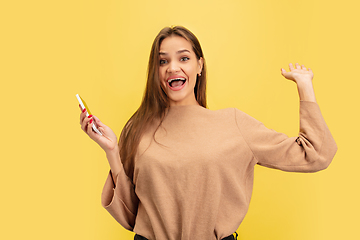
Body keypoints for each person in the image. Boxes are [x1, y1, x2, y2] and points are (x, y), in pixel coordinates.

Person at [79, 26, 337, 240]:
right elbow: (130, 216)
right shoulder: (137, 128)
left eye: (183, 58)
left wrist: (305, 87)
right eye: (162, 61)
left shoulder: (233, 124)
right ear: (155, 71)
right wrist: (111, 150)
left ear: (199, 65)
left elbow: (315, 154)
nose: (172, 68)